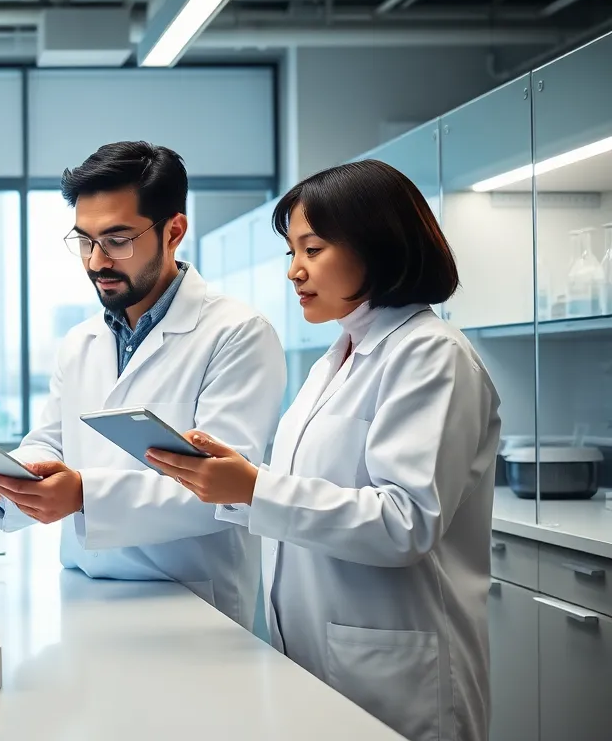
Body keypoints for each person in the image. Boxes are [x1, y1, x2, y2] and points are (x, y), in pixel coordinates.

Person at [147, 159, 499, 741]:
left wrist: (253, 488)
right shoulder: (336, 358)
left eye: (311, 249)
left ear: (376, 245)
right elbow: (315, 493)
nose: (294, 271)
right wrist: (237, 481)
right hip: (318, 658)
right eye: (291, 252)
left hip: (396, 673)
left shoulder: (432, 355)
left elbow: (406, 522)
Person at [0, 141, 286, 626]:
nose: (96, 261)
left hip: (190, 604)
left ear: (174, 231)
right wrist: (3, 481)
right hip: (84, 591)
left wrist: (83, 494)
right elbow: (50, 442)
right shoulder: (81, 341)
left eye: (117, 240)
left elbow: (227, 490)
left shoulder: (238, 334)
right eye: (85, 240)